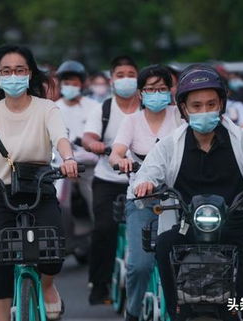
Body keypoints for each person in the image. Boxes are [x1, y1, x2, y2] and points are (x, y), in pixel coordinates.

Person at [133, 64, 243, 321]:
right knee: (163, 245)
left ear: (222, 104)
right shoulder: (171, 144)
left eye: (211, 104)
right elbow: (149, 172)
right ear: (183, 108)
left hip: (236, 226)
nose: (204, 111)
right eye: (196, 105)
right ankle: (176, 311)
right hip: (188, 227)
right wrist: (145, 183)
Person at [0, 44, 78, 321]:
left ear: (30, 73)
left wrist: (68, 158)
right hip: (0, 193)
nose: (13, 76)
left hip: (39, 187)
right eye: (6, 71)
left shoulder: (47, 109)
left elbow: (60, 138)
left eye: (20, 70)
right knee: (0, 259)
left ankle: (47, 286)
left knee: (53, 251)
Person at [108, 64, 182, 321]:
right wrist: (121, 161)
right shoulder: (131, 121)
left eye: (162, 88)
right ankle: (133, 311)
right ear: (140, 94)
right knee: (139, 265)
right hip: (142, 201)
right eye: (150, 89)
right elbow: (116, 152)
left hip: (179, 201)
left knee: (183, 262)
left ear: (171, 91)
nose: (156, 94)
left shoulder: (180, 116)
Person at [82, 55, 141, 305]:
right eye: (120, 75)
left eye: (131, 74)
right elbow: (88, 137)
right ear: (111, 80)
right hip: (108, 178)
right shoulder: (103, 108)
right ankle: (99, 284)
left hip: (143, 180)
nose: (126, 80)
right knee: (104, 229)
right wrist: (95, 145)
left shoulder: (149, 106)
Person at [55, 60, 99, 220]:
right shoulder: (54, 108)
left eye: (74, 83)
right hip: (61, 167)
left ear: (81, 84)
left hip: (90, 166)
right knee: (61, 208)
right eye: (66, 82)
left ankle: (94, 240)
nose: (70, 86)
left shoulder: (94, 107)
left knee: (95, 206)